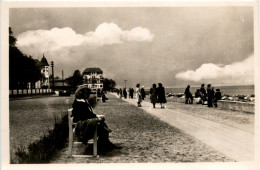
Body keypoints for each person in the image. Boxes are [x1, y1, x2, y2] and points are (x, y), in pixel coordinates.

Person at [72, 86, 121, 153]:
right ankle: (102, 144)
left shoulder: (82, 102)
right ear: (82, 94)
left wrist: (97, 117)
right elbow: (85, 115)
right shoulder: (80, 103)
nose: (89, 94)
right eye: (88, 93)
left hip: (84, 122)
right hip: (82, 125)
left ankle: (104, 143)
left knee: (102, 123)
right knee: (101, 127)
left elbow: (87, 114)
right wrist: (97, 117)